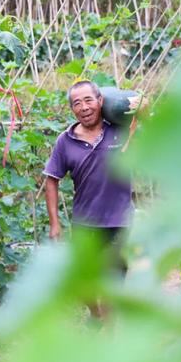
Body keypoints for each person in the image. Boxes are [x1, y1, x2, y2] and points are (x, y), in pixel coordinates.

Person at [43, 80, 133, 280]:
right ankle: (97, 313)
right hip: (85, 223)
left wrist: (141, 112)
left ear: (100, 101)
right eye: (77, 103)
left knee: (113, 282)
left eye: (88, 100)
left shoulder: (120, 131)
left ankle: (108, 311)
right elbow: (51, 180)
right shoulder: (65, 140)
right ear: (72, 109)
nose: (83, 107)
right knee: (84, 282)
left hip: (119, 221)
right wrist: (54, 223)